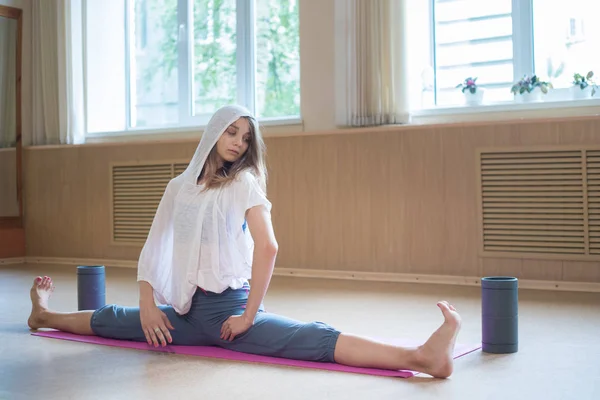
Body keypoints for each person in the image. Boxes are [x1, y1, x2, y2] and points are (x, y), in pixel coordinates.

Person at [27, 105, 462, 378]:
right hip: (182, 310)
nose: (238, 142)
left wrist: (248, 317)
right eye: (231, 132)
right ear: (214, 132)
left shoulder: (246, 183)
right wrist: (146, 303)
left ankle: (422, 356)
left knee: (310, 338)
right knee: (115, 319)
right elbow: (155, 244)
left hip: (226, 315)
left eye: (246, 137)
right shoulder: (180, 186)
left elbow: (268, 247)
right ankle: (44, 315)